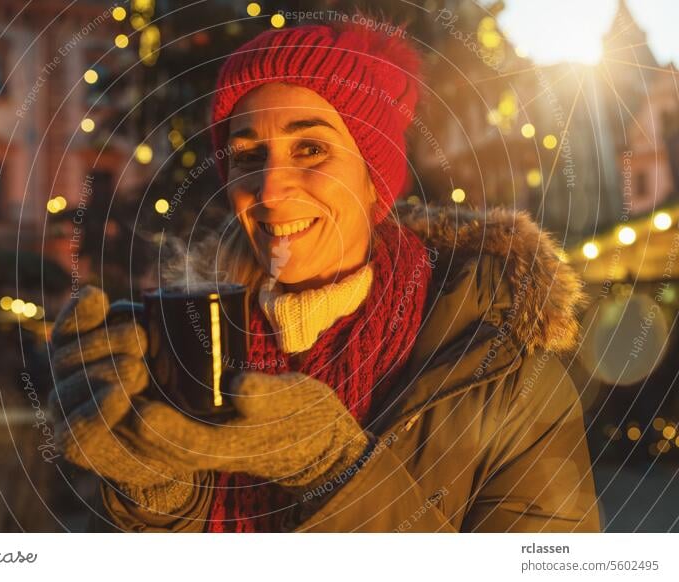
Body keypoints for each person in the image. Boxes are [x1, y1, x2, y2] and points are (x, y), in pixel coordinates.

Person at [47, 18, 601, 533]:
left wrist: (337, 472)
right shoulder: (195, 348)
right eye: (247, 157)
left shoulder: (505, 379)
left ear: (373, 181)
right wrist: (159, 496)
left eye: (310, 148)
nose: (267, 190)